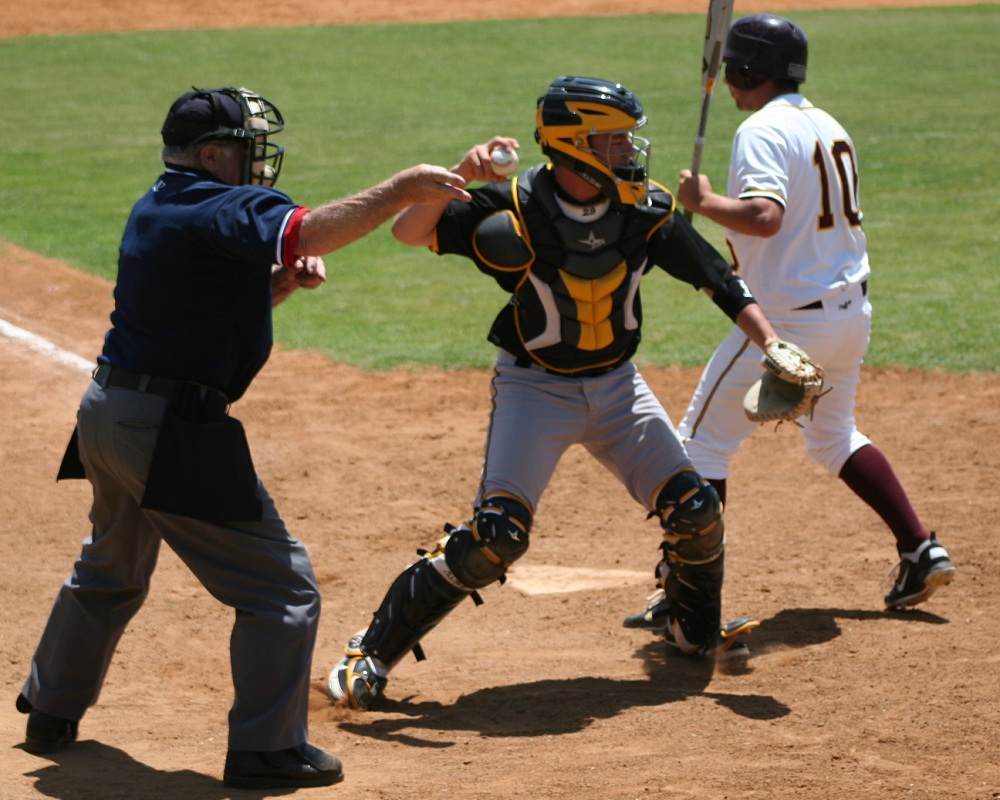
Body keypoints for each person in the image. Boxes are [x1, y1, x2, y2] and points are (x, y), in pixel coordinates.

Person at [15, 86, 472, 790]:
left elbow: (195, 307)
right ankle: (265, 748)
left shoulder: (161, 203)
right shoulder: (219, 202)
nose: (258, 162)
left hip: (108, 411)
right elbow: (310, 230)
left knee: (110, 567)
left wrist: (277, 286)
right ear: (210, 154)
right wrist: (401, 188)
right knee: (281, 588)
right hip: (169, 427)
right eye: (247, 148)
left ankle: (49, 705)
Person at [326, 75, 813, 712]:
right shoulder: (513, 209)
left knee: (696, 512)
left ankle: (690, 631)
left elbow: (719, 280)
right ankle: (370, 651)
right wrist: (460, 175)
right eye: (613, 142)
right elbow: (410, 233)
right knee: (497, 536)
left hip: (617, 391)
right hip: (535, 391)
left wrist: (772, 344)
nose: (627, 153)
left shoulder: (644, 210)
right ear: (574, 144)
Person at [623, 14, 955, 635]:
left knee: (698, 445)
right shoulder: (827, 123)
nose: (727, 85)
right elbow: (797, 226)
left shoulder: (761, 129)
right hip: (849, 316)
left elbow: (766, 216)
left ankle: (687, 600)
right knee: (833, 436)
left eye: (732, 74)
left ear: (747, 72)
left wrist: (702, 205)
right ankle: (920, 549)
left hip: (784, 326)